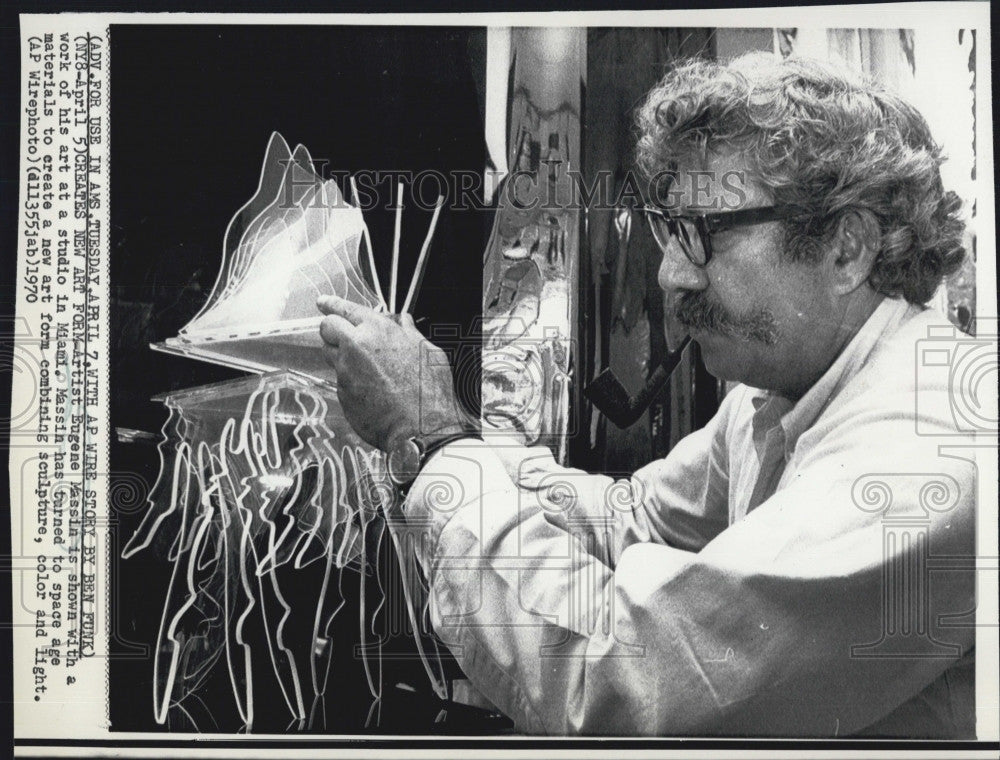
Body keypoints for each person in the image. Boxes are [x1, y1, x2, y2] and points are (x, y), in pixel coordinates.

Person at [317, 53, 979, 736]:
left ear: (847, 250)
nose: (671, 276)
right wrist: (451, 431)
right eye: (668, 229)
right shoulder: (780, 392)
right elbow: (631, 520)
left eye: (703, 234)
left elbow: (624, 679)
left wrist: (429, 443)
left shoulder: (917, 452)